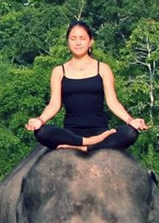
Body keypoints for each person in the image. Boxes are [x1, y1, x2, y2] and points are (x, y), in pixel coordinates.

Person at [26, 20, 148, 152]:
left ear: (90, 42)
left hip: (101, 133)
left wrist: (131, 121)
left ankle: (86, 146)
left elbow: (113, 103)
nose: (78, 43)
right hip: (70, 134)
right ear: (68, 42)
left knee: (130, 133)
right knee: (42, 132)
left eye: (82, 38)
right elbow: (54, 105)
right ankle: (86, 143)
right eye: (73, 39)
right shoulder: (59, 71)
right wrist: (40, 120)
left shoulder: (103, 68)